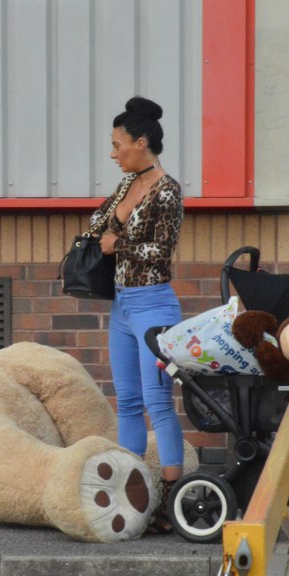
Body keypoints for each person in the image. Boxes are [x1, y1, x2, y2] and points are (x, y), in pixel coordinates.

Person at [94, 96, 185, 533]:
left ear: (141, 142)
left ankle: (170, 500)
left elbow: (160, 253)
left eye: (118, 145)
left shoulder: (168, 190)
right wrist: (114, 221)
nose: (113, 154)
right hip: (123, 305)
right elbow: (96, 228)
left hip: (153, 303)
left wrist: (121, 242)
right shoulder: (126, 186)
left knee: (157, 402)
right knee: (127, 402)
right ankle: (133, 494)